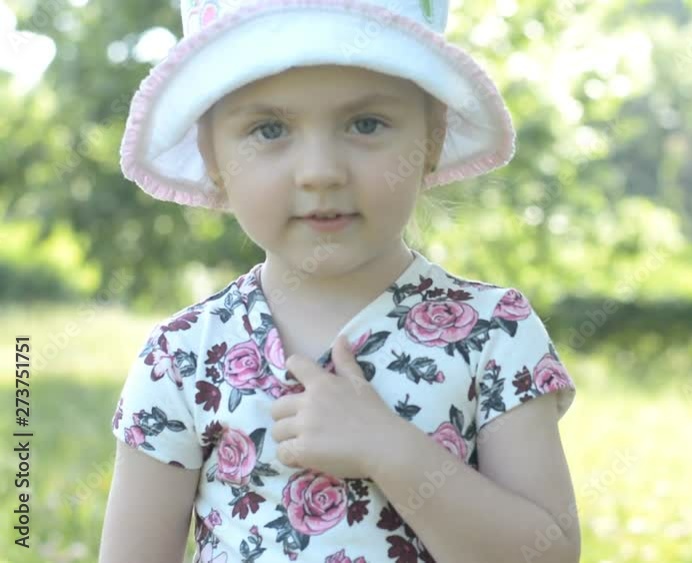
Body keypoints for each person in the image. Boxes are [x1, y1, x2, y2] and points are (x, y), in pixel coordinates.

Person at [99, 1, 579, 562]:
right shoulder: (183, 355)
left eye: (365, 124)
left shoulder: (493, 334)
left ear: (432, 138)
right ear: (211, 156)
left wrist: (391, 451)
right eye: (269, 129)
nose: (321, 172)